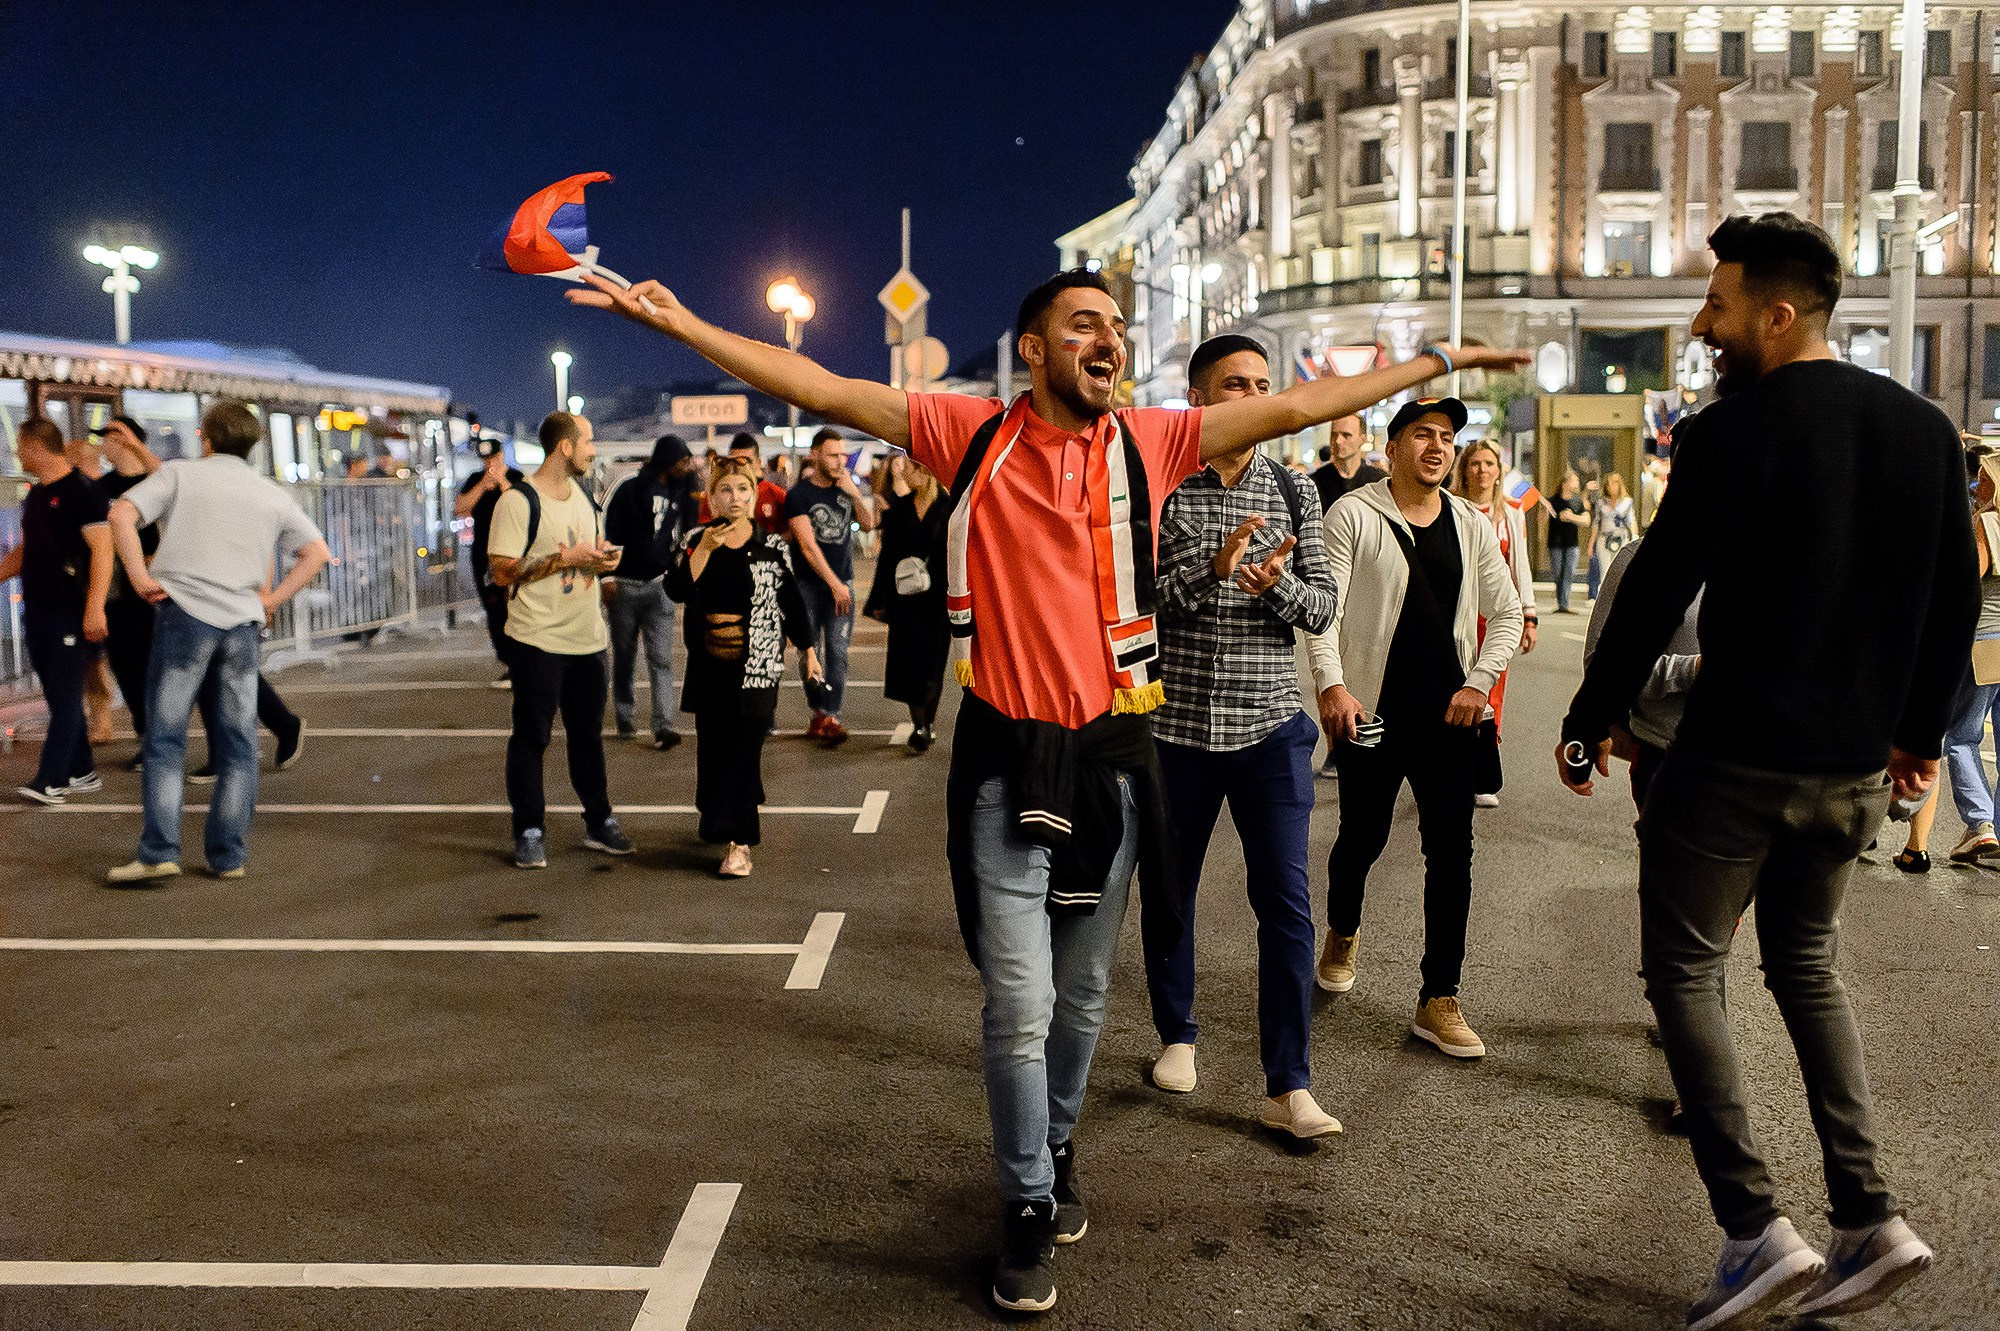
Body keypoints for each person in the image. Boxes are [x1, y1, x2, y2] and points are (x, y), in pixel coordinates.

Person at [567, 260, 1524, 1315]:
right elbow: (819, 387)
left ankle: (1057, 1138)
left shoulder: (1149, 440)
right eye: (1082, 325)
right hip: (1001, 759)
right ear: (1032, 348)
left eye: (1115, 326)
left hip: (1112, 759)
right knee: (1016, 1002)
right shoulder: (966, 433)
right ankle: (1025, 1199)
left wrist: (1436, 358)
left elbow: (1296, 401)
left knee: (1077, 1000)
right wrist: (684, 318)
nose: (1107, 340)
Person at [1559, 213, 1970, 1328]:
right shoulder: (1926, 431)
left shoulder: (1729, 431)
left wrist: (1592, 713)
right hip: (1848, 768)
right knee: (1806, 966)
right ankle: (1867, 1214)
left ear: (1775, 314)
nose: (1704, 325)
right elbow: (1956, 602)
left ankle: (1752, 1231)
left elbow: (1654, 587)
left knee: (1684, 972)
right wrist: (1918, 737)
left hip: (1730, 759)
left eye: (1718, 305)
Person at [1143, 334, 1342, 1139]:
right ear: (1198, 400)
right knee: (1169, 892)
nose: (1255, 395)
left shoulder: (1296, 491)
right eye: (1235, 384)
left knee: (1287, 905)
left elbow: (1325, 608)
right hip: (1175, 729)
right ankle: (1176, 1034)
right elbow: (1137, 601)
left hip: (1269, 731)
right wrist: (1211, 572)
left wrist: (1276, 585)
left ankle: (1287, 1082)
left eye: (1263, 383)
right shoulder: (1159, 486)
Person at [1306, 397, 1523, 1059]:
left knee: (1453, 852)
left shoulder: (1470, 523)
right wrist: (1332, 683)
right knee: (1362, 836)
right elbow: (1324, 611)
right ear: (1392, 446)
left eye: (1448, 437)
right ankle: (1343, 926)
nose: (1438, 446)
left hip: (1451, 717)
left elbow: (1507, 613)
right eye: (1424, 434)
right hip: (1370, 712)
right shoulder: (1353, 514)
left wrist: (1478, 682)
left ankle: (1439, 995)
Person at [104, 399, 331, 882]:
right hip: (242, 622)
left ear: (205, 437)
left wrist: (141, 575)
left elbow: (122, 515)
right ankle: (227, 855)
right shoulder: (268, 493)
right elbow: (316, 553)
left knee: (166, 739)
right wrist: (272, 599)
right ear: (251, 445)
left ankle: (159, 850)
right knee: (238, 743)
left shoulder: (181, 475)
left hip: (184, 613)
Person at [486, 412, 631, 870]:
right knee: (532, 737)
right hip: (537, 641)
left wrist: (602, 563)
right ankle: (529, 829)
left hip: (587, 639)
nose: (593, 449)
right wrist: (564, 557)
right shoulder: (517, 501)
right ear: (565, 447)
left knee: (587, 737)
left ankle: (599, 820)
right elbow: (502, 572)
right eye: (587, 441)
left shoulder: (585, 498)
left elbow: (586, 554)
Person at [667, 458, 822, 877]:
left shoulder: (771, 547)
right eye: (726, 490)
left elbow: (792, 601)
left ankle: (741, 843)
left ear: (754, 496)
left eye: (743, 490)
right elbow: (677, 588)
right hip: (709, 666)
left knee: (744, 749)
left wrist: (809, 652)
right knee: (714, 749)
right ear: (712, 497)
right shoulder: (696, 540)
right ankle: (719, 815)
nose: (734, 498)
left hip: (758, 667)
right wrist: (706, 549)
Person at [1, 417, 112, 805]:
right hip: (39, 608)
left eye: (19, 444)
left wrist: (95, 606)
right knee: (55, 691)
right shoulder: (35, 496)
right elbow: (27, 552)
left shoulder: (83, 492)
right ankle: (82, 769)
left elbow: (102, 549)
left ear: (35, 445)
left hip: (70, 607)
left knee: (65, 695)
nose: (16, 453)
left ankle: (51, 779)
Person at [1454, 440, 1539, 808]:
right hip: (1455, 616)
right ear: (1465, 468)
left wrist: (1528, 615)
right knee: (1453, 689)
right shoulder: (1450, 508)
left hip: (1496, 619)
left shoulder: (1511, 515)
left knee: (1491, 694)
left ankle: (1482, 772)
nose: (1482, 470)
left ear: (1498, 470)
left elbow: (1520, 566)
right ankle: (1450, 765)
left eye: (1489, 463)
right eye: (1475, 463)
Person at [604, 434, 701, 749]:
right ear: (666, 461)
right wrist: (607, 577)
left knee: (661, 659)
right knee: (625, 655)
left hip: (660, 585)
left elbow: (688, 532)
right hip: (625, 584)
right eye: (681, 461)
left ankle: (663, 726)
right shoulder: (631, 486)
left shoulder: (681, 490)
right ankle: (624, 716)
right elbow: (605, 528)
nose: (686, 467)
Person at [784, 427, 877, 746]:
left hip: (842, 583)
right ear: (815, 455)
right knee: (810, 652)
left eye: (842, 456)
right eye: (832, 455)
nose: (839, 462)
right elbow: (808, 547)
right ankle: (819, 712)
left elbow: (868, 524)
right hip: (808, 586)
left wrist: (853, 493)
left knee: (838, 652)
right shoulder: (799, 495)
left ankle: (830, 714)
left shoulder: (844, 489)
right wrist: (836, 584)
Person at [1936, 445, 2000, 865]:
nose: (1978, 480)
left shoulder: (1990, 521)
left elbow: (1966, 577)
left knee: (1961, 735)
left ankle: (1979, 823)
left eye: (1985, 474)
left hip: (1987, 640)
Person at [90, 416, 164, 766]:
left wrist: (136, 444)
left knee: (153, 665)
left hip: (154, 584)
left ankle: (162, 739)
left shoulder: (153, 480)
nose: (103, 443)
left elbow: (165, 479)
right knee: (124, 664)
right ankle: (148, 738)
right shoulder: (101, 487)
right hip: (118, 588)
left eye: (108, 436)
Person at [864, 456, 951, 752]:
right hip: (905, 599)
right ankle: (920, 725)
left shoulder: (949, 507)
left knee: (933, 666)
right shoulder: (900, 508)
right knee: (910, 664)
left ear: (924, 471)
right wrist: (879, 599)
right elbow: (888, 556)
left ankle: (928, 721)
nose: (902, 472)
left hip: (939, 598)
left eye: (908, 467)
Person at [456, 436, 525, 689]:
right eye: (486, 460)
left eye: (494, 458)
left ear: (502, 456)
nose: (490, 464)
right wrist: (482, 486)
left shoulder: (516, 478)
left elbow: (524, 507)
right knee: (494, 609)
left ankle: (522, 662)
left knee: (516, 607)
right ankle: (507, 662)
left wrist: (502, 483)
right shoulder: (476, 480)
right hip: (484, 554)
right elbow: (460, 507)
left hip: (514, 552)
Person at [698, 433, 791, 536]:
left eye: (747, 461)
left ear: (758, 462)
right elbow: (705, 531)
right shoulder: (714, 497)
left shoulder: (777, 496)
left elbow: (789, 534)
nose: (741, 467)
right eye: (735, 461)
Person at [1309, 413, 1384, 510]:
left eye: (1346, 435)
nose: (1338, 441)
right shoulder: (1314, 483)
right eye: (1334, 434)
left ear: (1362, 439)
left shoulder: (1378, 481)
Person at [1587, 470, 1636, 601]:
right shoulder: (1601, 503)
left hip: (1621, 537)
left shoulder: (1626, 502)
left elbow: (1631, 522)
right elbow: (1596, 523)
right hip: (1604, 538)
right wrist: (1591, 543)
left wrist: (1634, 539)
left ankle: (1619, 597)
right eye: (1609, 485)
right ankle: (1605, 599)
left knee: (1620, 568)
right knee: (1605, 569)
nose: (1611, 487)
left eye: (1614, 484)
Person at [1545, 470, 1588, 612]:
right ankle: (1561, 603)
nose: (1577, 483)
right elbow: (1541, 521)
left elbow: (1586, 521)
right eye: (1574, 480)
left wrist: (1572, 517)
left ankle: (1564, 604)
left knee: (1568, 573)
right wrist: (1543, 511)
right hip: (1555, 543)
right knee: (1558, 574)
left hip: (1572, 544)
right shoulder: (1552, 501)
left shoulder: (1577, 501)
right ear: (1565, 484)